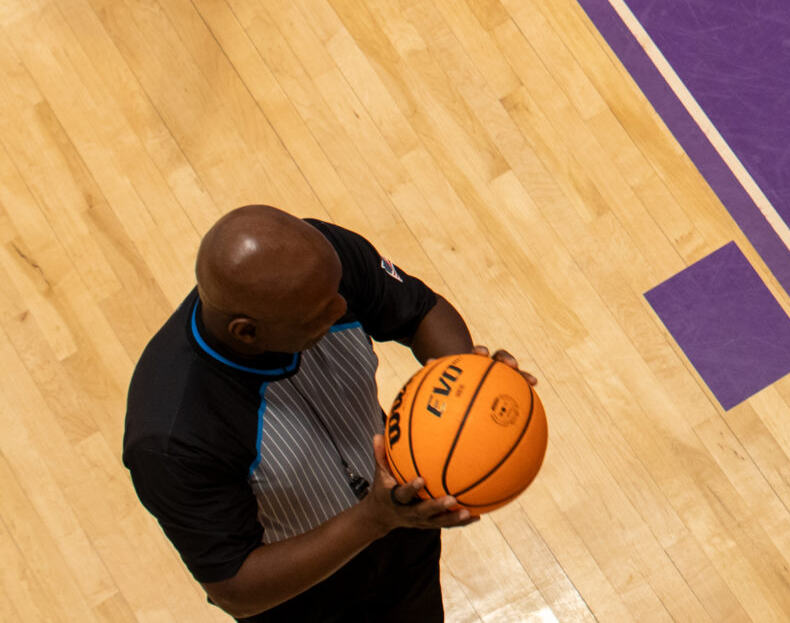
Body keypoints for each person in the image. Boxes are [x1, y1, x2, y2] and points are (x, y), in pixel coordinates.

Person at [123, 206, 528, 621]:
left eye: (337, 290)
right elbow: (236, 587)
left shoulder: (319, 266)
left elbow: (419, 311)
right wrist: (373, 519)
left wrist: (469, 381)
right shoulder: (172, 435)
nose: (341, 306)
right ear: (247, 331)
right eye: (320, 313)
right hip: (309, 594)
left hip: (400, 525)